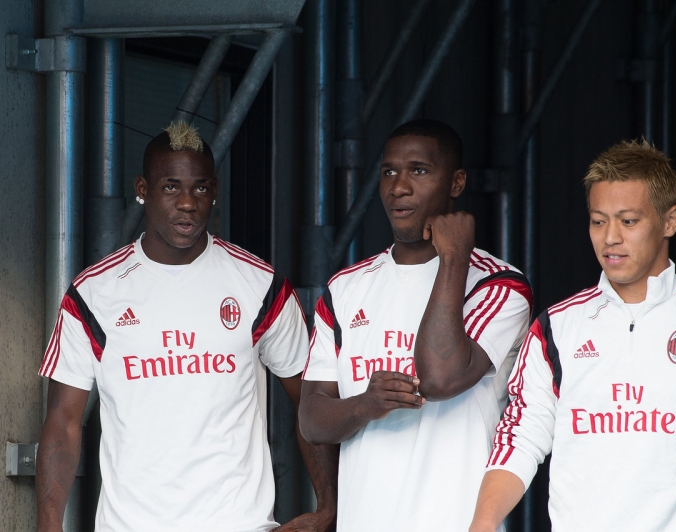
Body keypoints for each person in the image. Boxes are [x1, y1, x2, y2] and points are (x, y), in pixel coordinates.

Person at [469, 140, 676, 532]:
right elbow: (520, 437)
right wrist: (482, 524)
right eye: (598, 221)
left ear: (670, 221)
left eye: (629, 221)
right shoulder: (555, 328)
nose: (610, 237)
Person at [36, 122, 338, 532]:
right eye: (170, 187)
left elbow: (314, 403)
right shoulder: (93, 294)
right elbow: (63, 422)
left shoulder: (260, 286)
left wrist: (329, 507)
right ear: (143, 189)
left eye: (200, 188)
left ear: (214, 191)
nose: (187, 203)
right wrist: (48, 524)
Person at [298, 119, 532, 532]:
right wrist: (364, 405)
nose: (399, 187)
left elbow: (440, 379)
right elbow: (312, 420)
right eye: (389, 171)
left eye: (419, 171)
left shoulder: (499, 284)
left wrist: (454, 258)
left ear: (456, 182)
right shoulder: (346, 288)